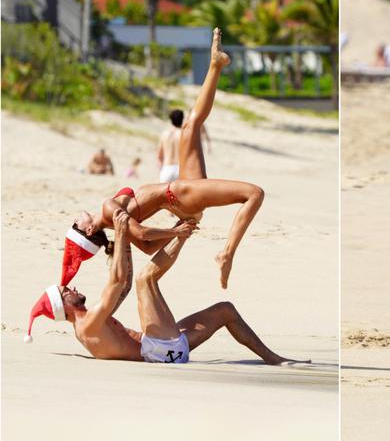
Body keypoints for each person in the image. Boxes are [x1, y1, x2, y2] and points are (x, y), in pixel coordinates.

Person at [70, 28, 262, 289]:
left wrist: (182, 225)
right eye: (76, 224)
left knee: (190, 125)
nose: (76, 219)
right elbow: (142, 234)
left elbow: (148, 248)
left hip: (180, 198)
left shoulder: (117, 228)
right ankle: (227, 253)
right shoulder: (107, 210)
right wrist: (175, 231)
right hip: (179, 194)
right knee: (254, 194)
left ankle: (215, 64)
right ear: (90, 230)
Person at [25, 209, 300, 366]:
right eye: (66, 292)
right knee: (147, 279)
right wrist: (120, 233)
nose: (71, 288)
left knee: (225, 310)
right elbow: (119, 282)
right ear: (65, 306)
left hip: (167, 347)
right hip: (158, 349)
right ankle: (184, 230)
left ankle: (273, 358)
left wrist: (124, 241)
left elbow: (121, 285)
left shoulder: (87, 323)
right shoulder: (87, 325)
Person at [158, 110, 212, 184]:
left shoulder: (164, 135)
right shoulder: (183, 134)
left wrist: (162, 170)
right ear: (182, 119)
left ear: (171, 120)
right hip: (180, 169)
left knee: (164, 194)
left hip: (166, 168)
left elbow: (159, 156)